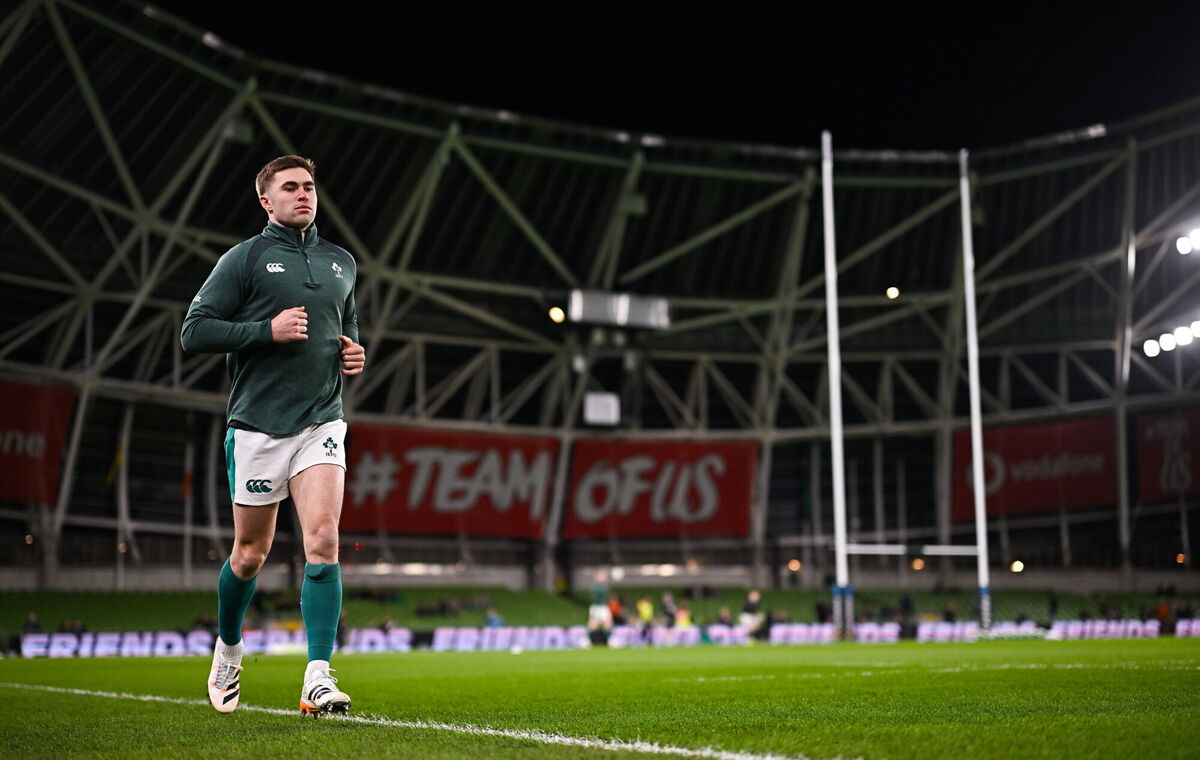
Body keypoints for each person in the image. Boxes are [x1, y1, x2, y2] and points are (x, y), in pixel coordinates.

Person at [181, 155, 365, 717]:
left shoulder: (341, 262)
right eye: (290, 187)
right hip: (259, 426)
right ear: (266, 200)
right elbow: (195, 330)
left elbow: (346, 321)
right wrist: (266, 331)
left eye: (309, 185)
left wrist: (351, 350)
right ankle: (230, 647)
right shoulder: (246, 258)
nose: (303, 194)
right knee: (250, 554)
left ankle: (317, 676)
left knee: (324, 541)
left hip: (321, 420)